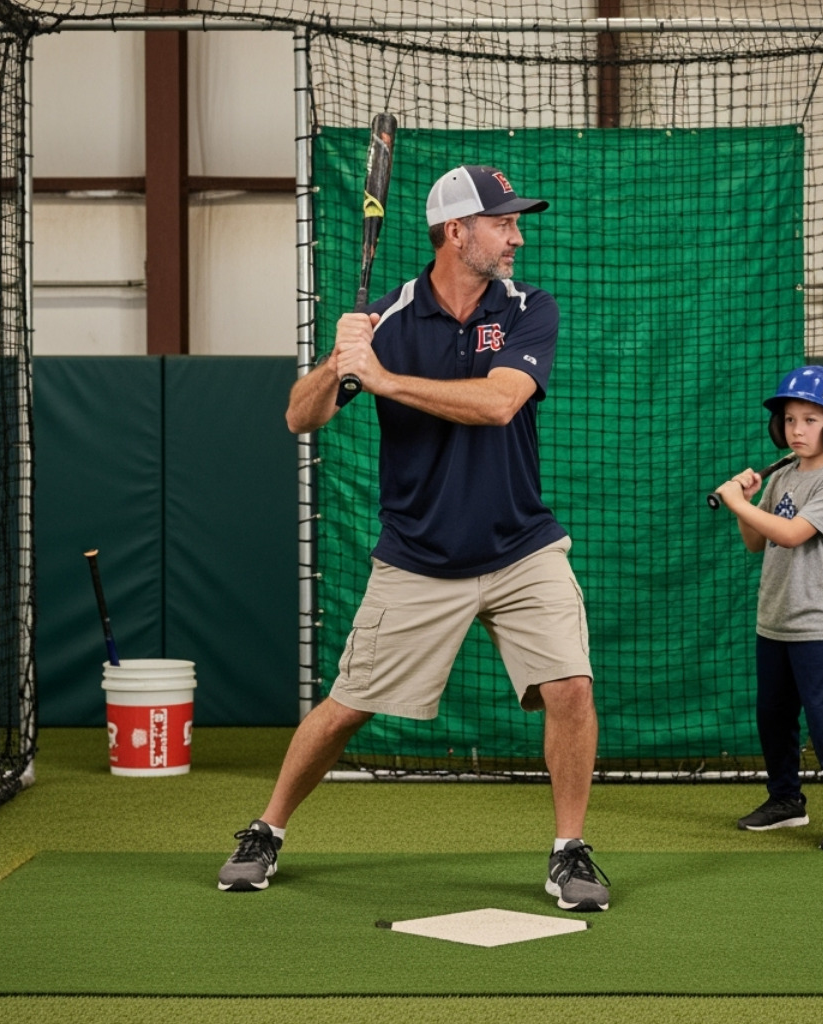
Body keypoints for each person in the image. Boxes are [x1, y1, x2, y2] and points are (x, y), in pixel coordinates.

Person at [217, 165, 609, 912]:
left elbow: (499, 405)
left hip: (522, 545)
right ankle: (266, 829)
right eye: (503, 223)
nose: (517, 236)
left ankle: (570, 850)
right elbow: (300, 418)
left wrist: (386, 381)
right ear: (456, 232)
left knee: (570, 685)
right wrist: (341, 361)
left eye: (516, 223)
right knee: (347, 705)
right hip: (420, 556)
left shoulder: (531, 308)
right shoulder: (387, 318)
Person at [713, 365, 823, 852]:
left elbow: (792, 533)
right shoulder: (783, 474)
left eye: (810, 419)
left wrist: (736, 503)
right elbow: (757, 542)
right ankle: (786, 801)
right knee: (773, 716)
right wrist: (746, 501)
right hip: (775, 619)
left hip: (817, 623)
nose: (796, 430)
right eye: (789, 420)